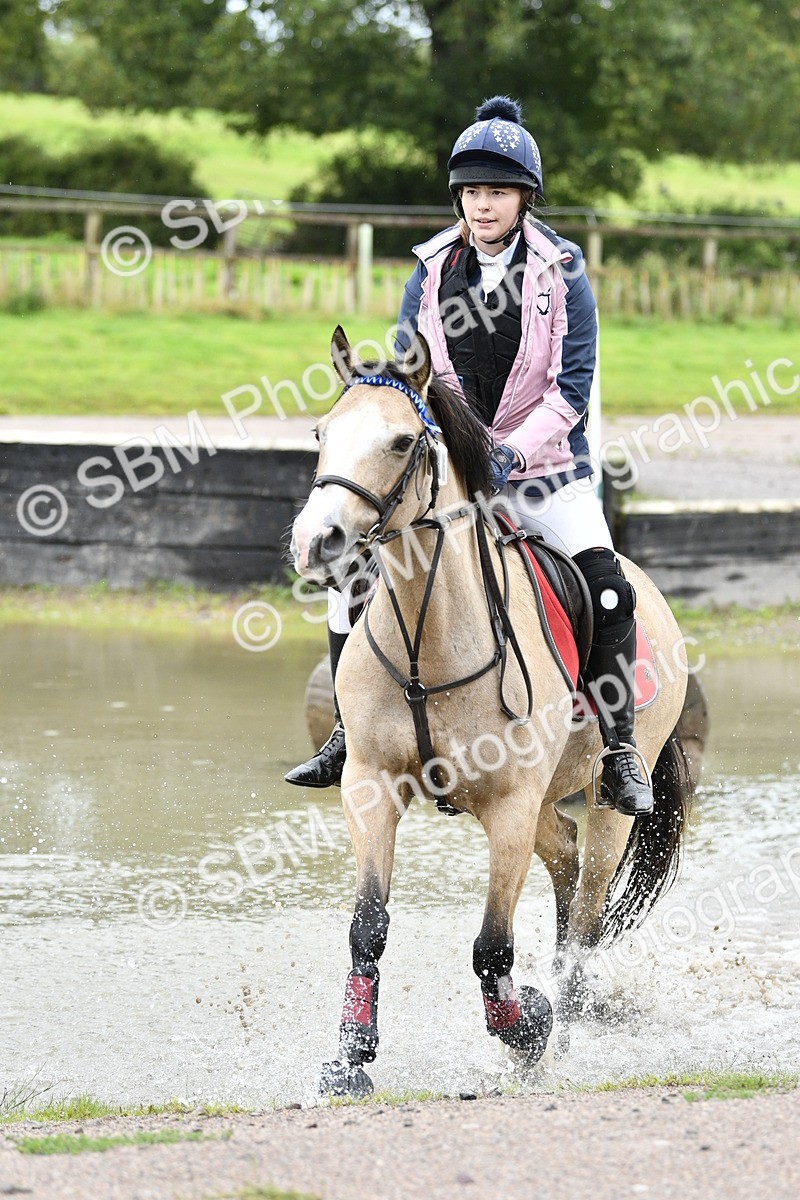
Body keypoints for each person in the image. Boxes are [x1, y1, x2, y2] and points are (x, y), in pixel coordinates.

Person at [286, 94, 652, 818]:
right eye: (473, 192)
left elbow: (569, 391)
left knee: (608, 587)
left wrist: (511, 455)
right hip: (451, 474)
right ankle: (345, 734)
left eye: (499, 192)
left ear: (524, 199)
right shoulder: (428, 272)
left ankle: (619, 747)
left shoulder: (563, 272)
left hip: (546, 472)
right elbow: (406, 375)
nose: (483, 206)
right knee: (344, 579)